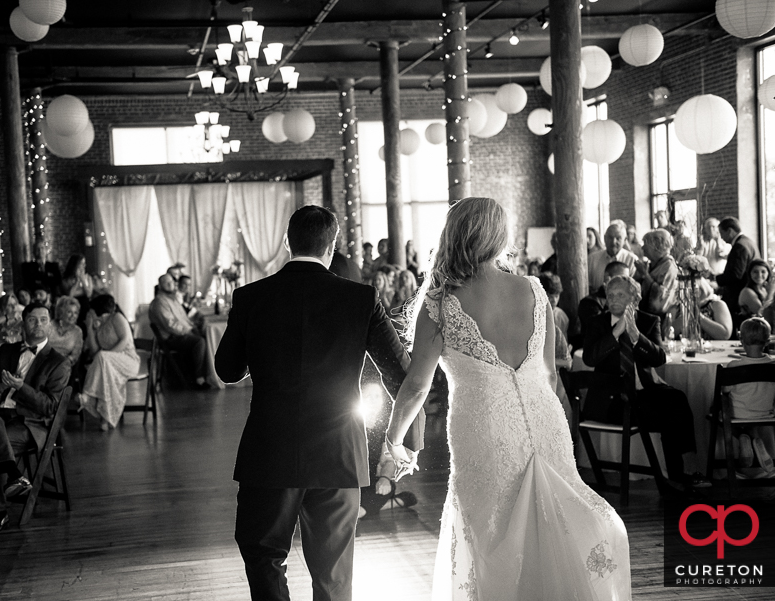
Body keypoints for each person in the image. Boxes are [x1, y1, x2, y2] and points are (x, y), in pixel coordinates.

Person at [383, 197, 630, 599]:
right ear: (498, 236)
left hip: (482, 423)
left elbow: (416, 387)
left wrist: (393, 443)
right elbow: (549, 373)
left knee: (491, 527)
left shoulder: (441, 300)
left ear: (453, 235)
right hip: (543, 416)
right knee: (553, 521)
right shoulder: (533, 289)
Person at [215, 205, 424, 601]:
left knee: (264, 556)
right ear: (332, 246)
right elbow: (401, 375)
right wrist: (401, 442)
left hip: (269, 452)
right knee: (333, 573)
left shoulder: (250, 297)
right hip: (339, 454)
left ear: (286, 244)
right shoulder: (361, 298)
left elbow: (227, 370)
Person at [582, 275, 707, 491]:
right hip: (612, 402)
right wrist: (615, 333)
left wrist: (636, 336)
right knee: (669, 412)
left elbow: (659, 358)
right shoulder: (597, 323)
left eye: (620, 295)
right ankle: (678, 477)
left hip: (643, 393)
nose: (613, 300)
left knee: (675, 400)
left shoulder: (649, 321)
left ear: (634, 299)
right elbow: (589, 358)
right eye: (610, 296)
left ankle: (681, 474)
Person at [0, 303, 71, 535]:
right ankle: (15, 476)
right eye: (32, 320)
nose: (38, 324)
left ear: (50, 324)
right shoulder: (6, 351)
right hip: (0, 417)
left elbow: (49, 408)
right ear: (23, 323)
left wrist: (21, 387)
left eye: (43, 320)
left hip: (31, 424)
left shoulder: (58, 362)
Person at [77, 295, 140, 431]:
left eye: (91, 311)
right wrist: (89, 328)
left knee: (103, 358)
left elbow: (125, 340)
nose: (89, 313)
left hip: (128, 359)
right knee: (107, 375)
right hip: (108, 364)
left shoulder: (117, 317)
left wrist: (107, 356)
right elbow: (95, 352)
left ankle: (87, 395)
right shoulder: (98, 326)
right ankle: (104, 420)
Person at [723, 317, 775, 475]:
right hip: (765, 414)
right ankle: (754, 437)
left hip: (737, 415)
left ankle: (744, 438)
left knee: (718, 412)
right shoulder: (772, 365)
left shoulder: (733, 366)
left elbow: (724, 391)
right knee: (752, 413)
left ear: (741, 340)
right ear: (767, 341)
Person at [149, 273, 210, 389]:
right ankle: (199, 379)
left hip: (178, 335)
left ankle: (208, 374)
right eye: (167, 283)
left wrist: (193, 326)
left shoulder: (172, 300)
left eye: (171, 282)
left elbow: (184, 319)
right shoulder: (160, 302)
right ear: (160, 286)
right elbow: (170, 326)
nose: (171, 285)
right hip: (170, 338)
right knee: (199, 342)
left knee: (204, 334)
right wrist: (189, 331)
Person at [716, 216, 761, 318]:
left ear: (730, 231)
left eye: (721, 233)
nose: (721, 237)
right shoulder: (748, 241)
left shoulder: (739, 246)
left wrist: (716, 280)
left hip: (738, 297)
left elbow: (735, 274)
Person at [634, 228, 679, 321]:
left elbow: (662, 297)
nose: (642, 248)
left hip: (659, 319)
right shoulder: (653, 264)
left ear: (657, 246)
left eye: (645, 244)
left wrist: (645, 275)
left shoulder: (669, 267)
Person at [671, 277, 733, 341]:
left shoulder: (717, 305)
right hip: (682, 349)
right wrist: (686, 315)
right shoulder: (676, 307)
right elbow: (666, 334)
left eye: (693, 288)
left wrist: (699, 316)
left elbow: (725, 335)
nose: (689, 292)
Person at [587, 222, 637, 292]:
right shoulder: (592, 259)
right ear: (604, 238)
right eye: (610, 237)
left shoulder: (632, 260)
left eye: (618, 238)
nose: (613, 242)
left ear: (625, 240)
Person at [47, 296, 84, 368]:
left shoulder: (77, 331)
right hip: (46, 362)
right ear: (61, 313)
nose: (73, 316)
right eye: (69, 312)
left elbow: (75, 356)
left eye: (75, 313)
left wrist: (63, 362)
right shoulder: (50, 326)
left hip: (63, 366)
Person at [738, 259, 771, 324]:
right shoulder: (747, 292)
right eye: (755, 272)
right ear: (750, 273)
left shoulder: (764, 289)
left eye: (763, 272)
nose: (759, 275)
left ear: (768, 273)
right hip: (753, 330)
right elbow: (763, 314)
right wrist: (770, 293)